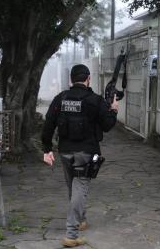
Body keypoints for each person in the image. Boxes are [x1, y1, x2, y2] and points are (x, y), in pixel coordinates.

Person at [41, 64, 118, 247]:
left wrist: (47, 149)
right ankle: (71, 235)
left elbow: (48, 125)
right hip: (86, 152)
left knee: (73, 187)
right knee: (79, 189)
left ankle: (81, 220)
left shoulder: (60, 99)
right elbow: (107, 125)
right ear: (88, 79)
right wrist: (113, 109)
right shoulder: (95, 100)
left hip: (65, 152)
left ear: (71, 80)